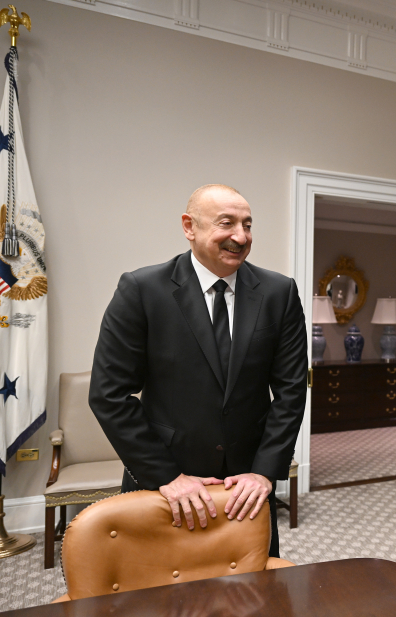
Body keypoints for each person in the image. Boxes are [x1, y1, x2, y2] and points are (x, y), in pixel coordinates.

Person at [89, 184, 308, 557]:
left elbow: (291, 391)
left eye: (248, 225)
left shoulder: (279, 292)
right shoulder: (142, 289)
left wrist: (264, 472)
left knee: (252, 589)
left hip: (247, 490)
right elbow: (108, 394)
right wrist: (166, 477)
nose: (241, 237)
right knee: (159, 589)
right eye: (227, 223)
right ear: (189, 226)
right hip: (165, 486)